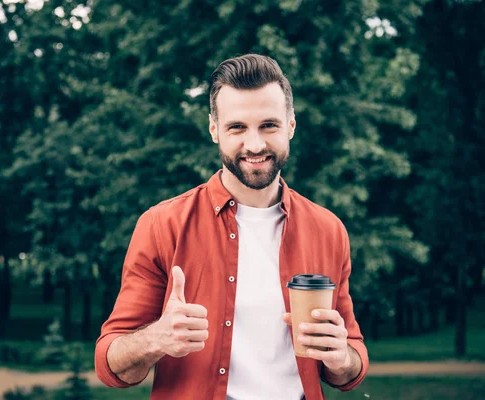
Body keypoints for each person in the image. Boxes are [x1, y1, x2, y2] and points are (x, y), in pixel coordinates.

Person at [95, 54, 369, 400]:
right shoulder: (161, 225)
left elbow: (351, 361)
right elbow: (111, 363)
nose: (254, 145)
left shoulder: (328, 230)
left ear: (291, 126)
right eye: (237, 127)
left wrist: (342, 358)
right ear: (214, 130)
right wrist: (156, 338)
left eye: (268, 125)